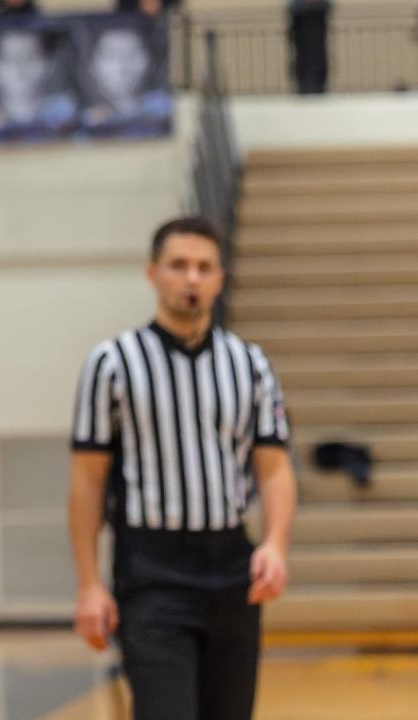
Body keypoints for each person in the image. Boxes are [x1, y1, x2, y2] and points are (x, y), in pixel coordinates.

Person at [68, 217, 296, 720]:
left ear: (220, 278)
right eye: (178, 265)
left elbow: (274, 468)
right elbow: (87, 482)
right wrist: (89, 583)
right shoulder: (112, 363)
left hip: (233, 567)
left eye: (203, 267)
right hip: (151, 572)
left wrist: (275, 544)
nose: (191, 278)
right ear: (153, 274)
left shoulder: (251, 364)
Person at [0, 30, 77, 140]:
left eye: (31, 59)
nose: (20, 72)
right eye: (8, 59)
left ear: (49, 65)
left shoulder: (65, 113)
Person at [80, 26, 172, 138]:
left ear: (151, 62)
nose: (122, 67)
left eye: (132, 54)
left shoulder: (166, 109)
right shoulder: (82, 124)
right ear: (92, 66)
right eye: (111, 55)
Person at [287, 0, 332, 95]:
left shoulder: (321, 1)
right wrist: (307, 1)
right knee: (303, 74)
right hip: (302, 47)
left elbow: (328, 4)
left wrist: (313, 0)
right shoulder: (297, 2)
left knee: (319, 74)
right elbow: (292, 7)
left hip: (318, 47)